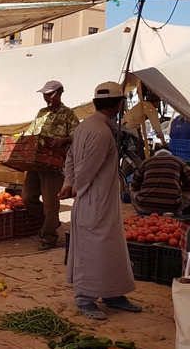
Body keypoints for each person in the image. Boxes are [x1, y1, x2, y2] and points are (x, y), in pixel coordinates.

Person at [59, 82, 141, 321]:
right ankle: (85, 298)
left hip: (102, 200)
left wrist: (68, 182)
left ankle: (113, 294)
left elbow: (72, 157)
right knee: (91, 250)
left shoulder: (87, 126)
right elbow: (85, 169)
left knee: (110, 249)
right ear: (118, 105)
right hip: (93, 200)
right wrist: (74, 187)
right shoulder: (101, 132)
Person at [21, 80, 81, 251]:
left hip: (53, 165)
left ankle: (49, 237)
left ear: (60, 92)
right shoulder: (41, 112)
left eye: (50, 94)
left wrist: (63, 140)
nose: (47, 98)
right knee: (27, 197)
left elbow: (77, 136)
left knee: (50, 203)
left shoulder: (68, 114)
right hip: (36, 163)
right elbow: (32, 133)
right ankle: (51, 223)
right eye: (45, 95)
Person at [129, 149, 190, 216]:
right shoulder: (179, 161)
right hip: (172, 207)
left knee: (132, 191)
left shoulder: (146, 162)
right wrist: (180, 188)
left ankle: (141, 214)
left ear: (155, 156)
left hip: (145, 206)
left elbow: (133, 187)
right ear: (170, 156)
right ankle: (181, 215)